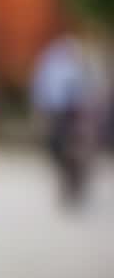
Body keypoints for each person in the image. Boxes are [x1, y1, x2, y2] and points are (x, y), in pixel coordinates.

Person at [30, 28, 109, 207]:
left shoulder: (76, 61)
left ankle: (74, 186)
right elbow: (42, 87)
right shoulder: (52, 60)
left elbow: (88, 89)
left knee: (75, 150)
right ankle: (69, 184)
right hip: (58, 111)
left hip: (73, 112)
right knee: (59, 149)